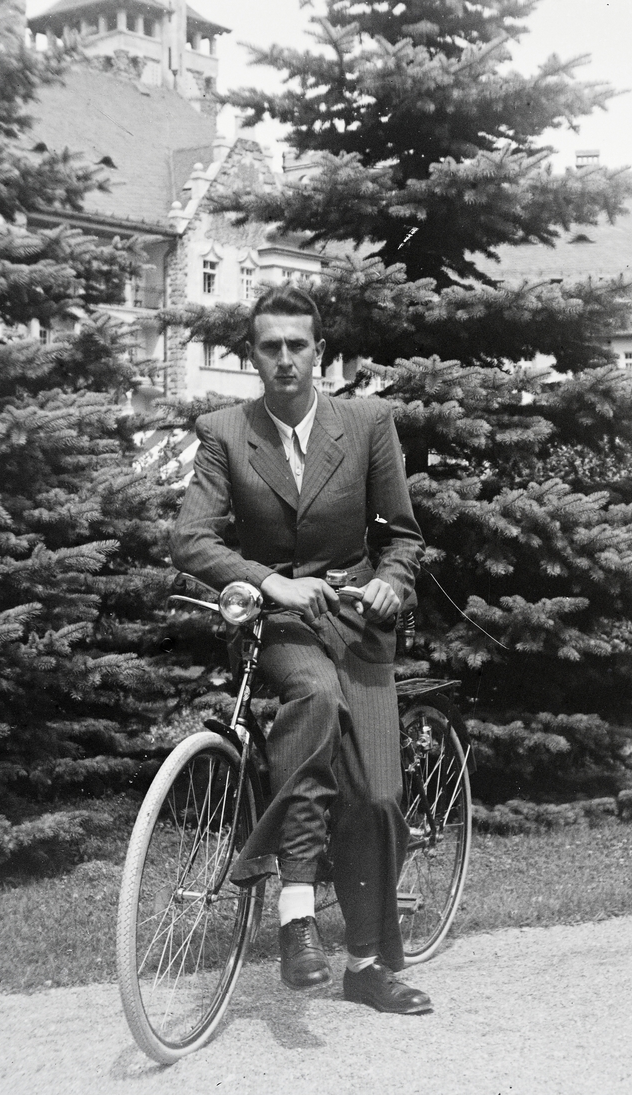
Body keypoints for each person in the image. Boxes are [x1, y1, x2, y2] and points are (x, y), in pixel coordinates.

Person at [171, 284, 430, 1015]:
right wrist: (267, 583)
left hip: (358, 625)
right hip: (281, 630)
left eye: (298, 345)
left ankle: (371, 965)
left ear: (321, 353)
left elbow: (401, 535)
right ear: (251, 354)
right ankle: (295, 913)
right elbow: (190, 537)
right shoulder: (227, 430)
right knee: (312, 697)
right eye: (269, 346)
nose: (284, 359)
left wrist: (389, 582)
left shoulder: (369, 423)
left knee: (379, 795)